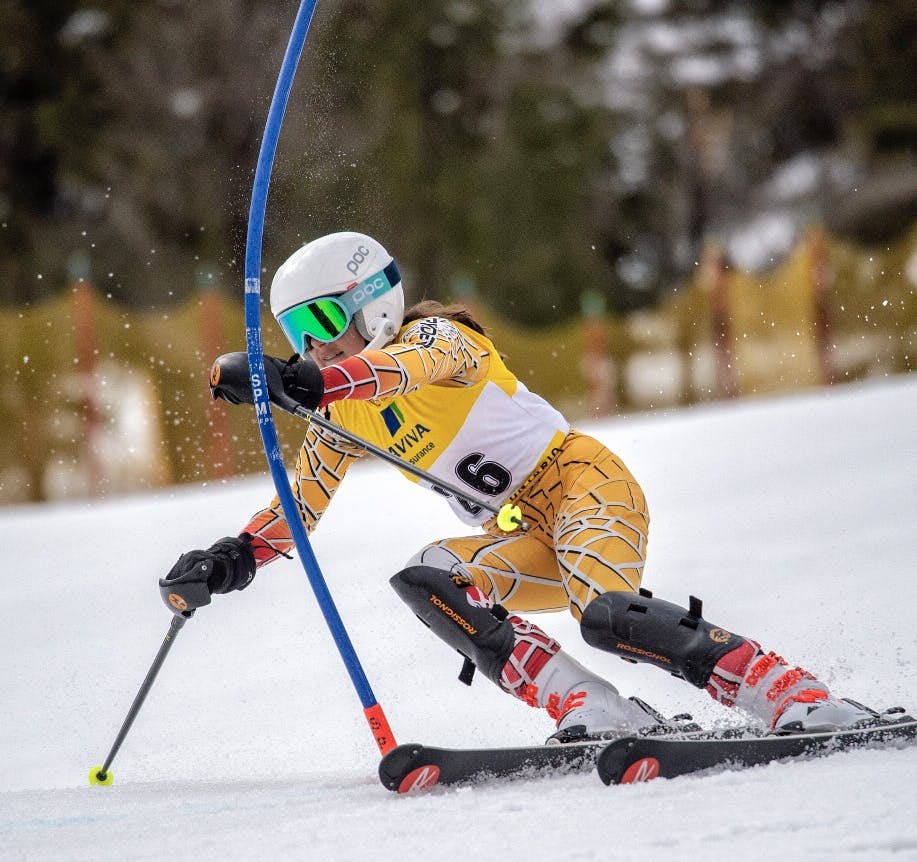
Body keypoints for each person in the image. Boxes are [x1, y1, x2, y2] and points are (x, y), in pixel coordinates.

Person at [163, 230, 883, 740]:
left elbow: (392, 373)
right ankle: (591, 706)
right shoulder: (339, 416)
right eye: (296, 331)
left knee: (605, 615)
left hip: (581, 484)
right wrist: (228, 561)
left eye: (322, 320)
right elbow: (297, 508)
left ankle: (794, 693)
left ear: (372, 301)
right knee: (429, 576)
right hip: (519, 531)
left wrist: (301, 381)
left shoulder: (441, 339)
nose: (313, 344)